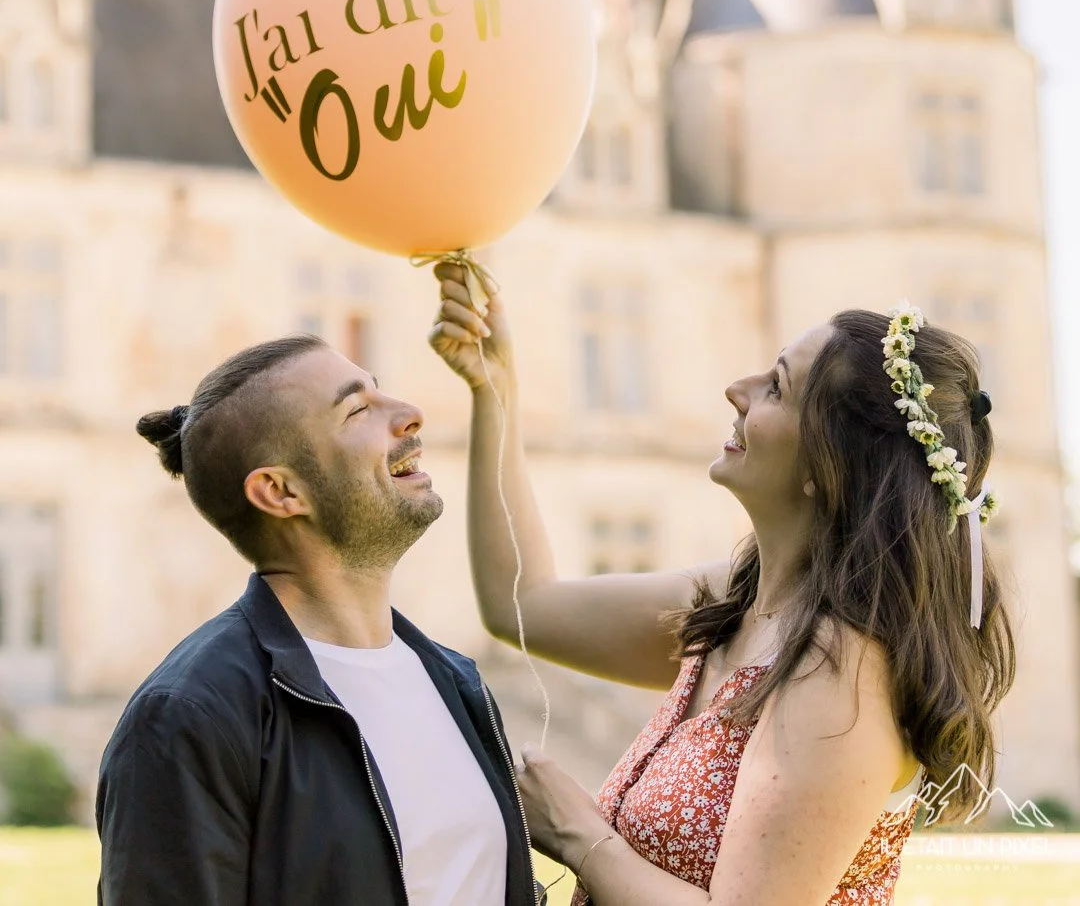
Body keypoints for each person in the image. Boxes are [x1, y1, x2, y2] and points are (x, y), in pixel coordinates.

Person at [430, 268, 1015, 906]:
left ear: (828, 464)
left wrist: (576, 833)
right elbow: (524, 605)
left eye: (776, 388)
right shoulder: (733, 600)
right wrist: (497, 391)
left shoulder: (840, 671)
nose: (735, 390)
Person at [96, 334, 541, 906]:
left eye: (380, 392)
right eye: (358, 409)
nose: (409, 415)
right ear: (280, 492)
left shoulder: (454, 679)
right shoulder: (188, 715)